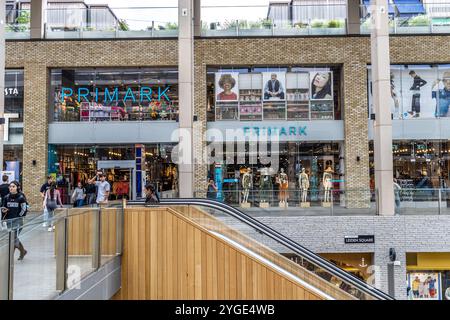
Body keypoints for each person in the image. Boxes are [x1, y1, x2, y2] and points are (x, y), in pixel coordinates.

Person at [1, 181, 28, 260]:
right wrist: (3, 210)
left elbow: (24, 209)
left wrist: (19, 217)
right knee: (13, 238)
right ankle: (23, 251)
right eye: (10, 186)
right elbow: (3, 207)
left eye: (13, 186)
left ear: (17, 188)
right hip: (9, 221)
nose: (11, 188)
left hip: (18, 221)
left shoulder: (21, 197)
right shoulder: (6, 197)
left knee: (13, 238)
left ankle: (9, 257)